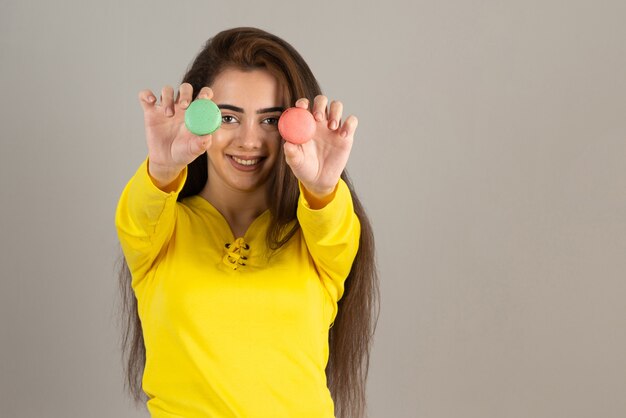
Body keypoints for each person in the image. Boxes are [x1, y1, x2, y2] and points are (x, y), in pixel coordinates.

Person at [115, 27, 379, 418]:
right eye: (227, 117)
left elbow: (337, 232)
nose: (249, 141)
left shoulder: (319, 233)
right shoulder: (158, 229)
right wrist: (162, 168)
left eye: (270, 120)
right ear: (199, 119)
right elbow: (138, 216)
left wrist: (323, 186)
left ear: (294, 126)